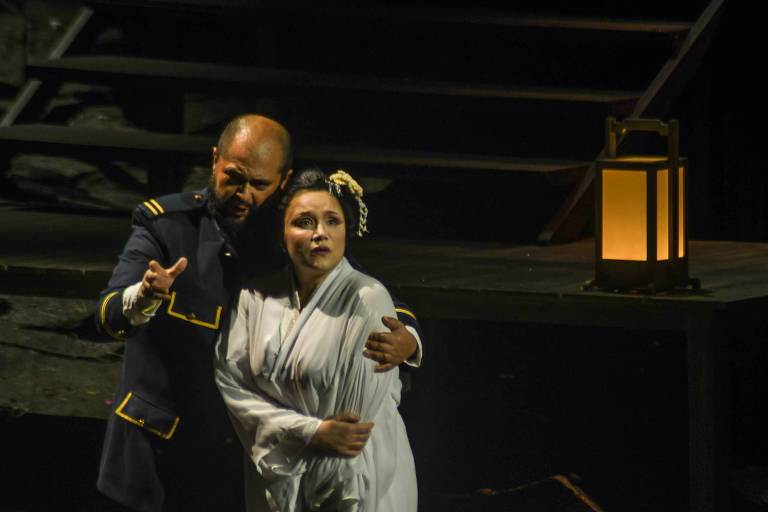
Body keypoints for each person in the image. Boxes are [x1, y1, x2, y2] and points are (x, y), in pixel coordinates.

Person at [95, 114, 422, 512]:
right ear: (215, 160)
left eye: (260, 184)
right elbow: (107, 314)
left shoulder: (289, 231)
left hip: (240, 454)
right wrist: (143, 297)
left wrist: (409, 338)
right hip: (160, 447)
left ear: (283, 181)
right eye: (233, 176)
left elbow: (356, 283)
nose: (243, 193)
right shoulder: (167, 227)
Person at [215, 167, 417, 512]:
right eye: (304, 222)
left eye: (332, 222)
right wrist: (311, 431)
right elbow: (233, 384)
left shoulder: (366, 298)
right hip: (273, 477)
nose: (319, 233)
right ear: (282, 233)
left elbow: (352, 430)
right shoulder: (255, 296)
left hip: (347, 485)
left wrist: (295, 427)